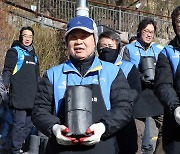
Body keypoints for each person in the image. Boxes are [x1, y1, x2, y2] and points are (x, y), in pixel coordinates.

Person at [31, 15, 134, 154]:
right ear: (67, 42)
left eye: (84, 36)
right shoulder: (52, 74)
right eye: (73, 37)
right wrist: (54, 128)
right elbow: (39, 111)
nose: (79, 41)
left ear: (95, 40)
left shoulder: (113, 72)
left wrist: (103, 127)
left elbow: (124, 107)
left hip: (103, 147)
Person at [122, 17, 164, 154]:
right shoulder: (128, 48)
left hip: (155, 94)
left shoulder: (159, 49)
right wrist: (138, 75)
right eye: (146, 31)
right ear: (140, 31)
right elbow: (123, 69)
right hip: (137, 94)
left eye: (152, 32)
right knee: (137, 133)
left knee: (167, 127)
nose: (149, 34)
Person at [97, 30, 141, 153]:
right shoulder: (93, 68)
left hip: (124, 121)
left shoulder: (128, 67)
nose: (106, 50)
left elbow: (135, 91)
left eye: (110, 46)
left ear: (117, 48)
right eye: (102, 47)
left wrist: (119, 103)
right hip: (99, 121)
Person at [2, 26, 40, 154]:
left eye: (30, 36)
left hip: (32, 96)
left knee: (29, 125)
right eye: (25, 35)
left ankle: (14, 146)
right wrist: (3, 87)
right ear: (20, 37)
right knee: (19, 124)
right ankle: (15, 150)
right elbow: (7, 71)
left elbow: (37, 77)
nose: (28, 38)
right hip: (18, 96)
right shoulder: (15, 52)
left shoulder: (34, 55)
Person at [154, 6, 180, 154]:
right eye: (179, 21)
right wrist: (175, 107)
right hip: (175, 121)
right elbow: (163, 84)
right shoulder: (167, 52)